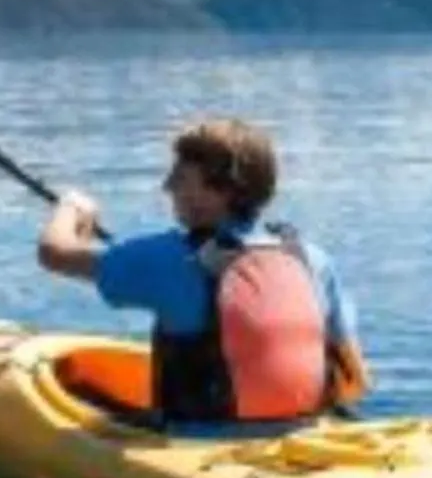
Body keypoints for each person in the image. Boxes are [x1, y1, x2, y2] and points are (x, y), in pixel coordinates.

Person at [36, 116, 367, 425]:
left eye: (180, 178)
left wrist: (72, 208)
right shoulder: (310, 258)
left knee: (81, 386)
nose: (167, 187)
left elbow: (54, 253)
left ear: (220, 192)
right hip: (304, 431)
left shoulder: (170, 257)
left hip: (200, 440)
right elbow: (353, 379)